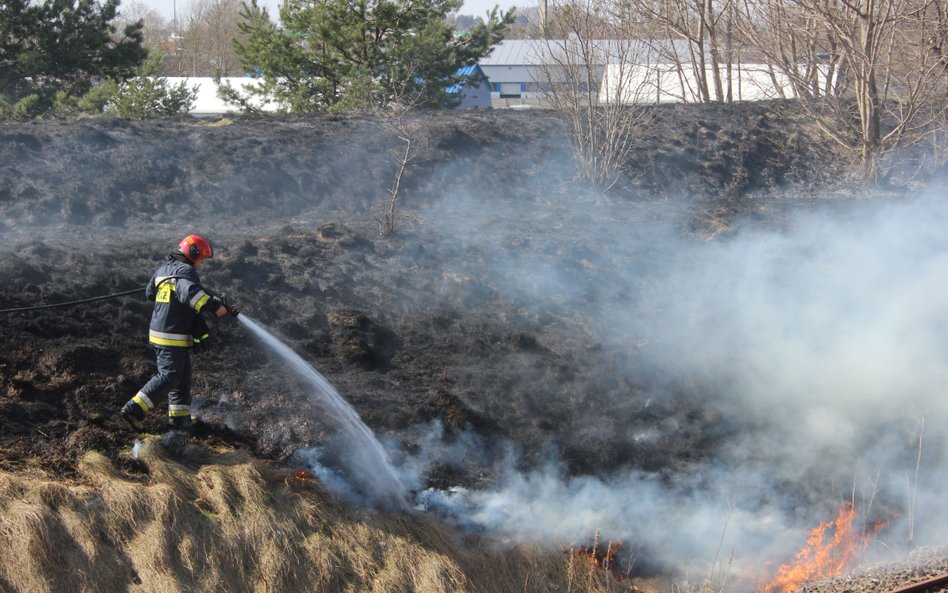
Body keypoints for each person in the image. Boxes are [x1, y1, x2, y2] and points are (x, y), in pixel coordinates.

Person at [121, 234, 237, 433]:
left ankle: (180, 421)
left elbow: (149, 293)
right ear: (193, 254)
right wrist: (214, 307)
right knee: (170, 376)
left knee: (182, 379)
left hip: (166, 333)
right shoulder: (186, 271)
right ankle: (134, 409)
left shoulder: (163, 270)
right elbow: (191, 294)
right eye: (201, 259)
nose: (201, 263)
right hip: (171, 334)